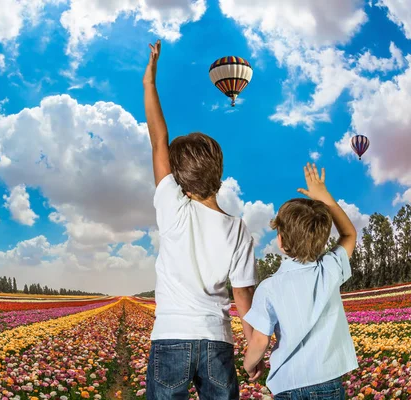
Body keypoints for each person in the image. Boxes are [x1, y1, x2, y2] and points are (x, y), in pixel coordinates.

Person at [143, 39, 258, 400]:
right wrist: (254, 351)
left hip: (170, 336)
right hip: (216, 342)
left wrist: (150, 83)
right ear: (220, 169)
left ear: (177, 179)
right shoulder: (238, 228)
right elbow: (243, 298)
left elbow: (159, 141)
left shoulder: (173, 209)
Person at [243, 163, 359, 400]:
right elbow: (349, 234)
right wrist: (325, 197)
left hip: (288, 383)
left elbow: (260, 339)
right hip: (328, 381)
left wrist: (249, 364)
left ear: (281, 241)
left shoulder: (269, 287)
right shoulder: (330, 267)